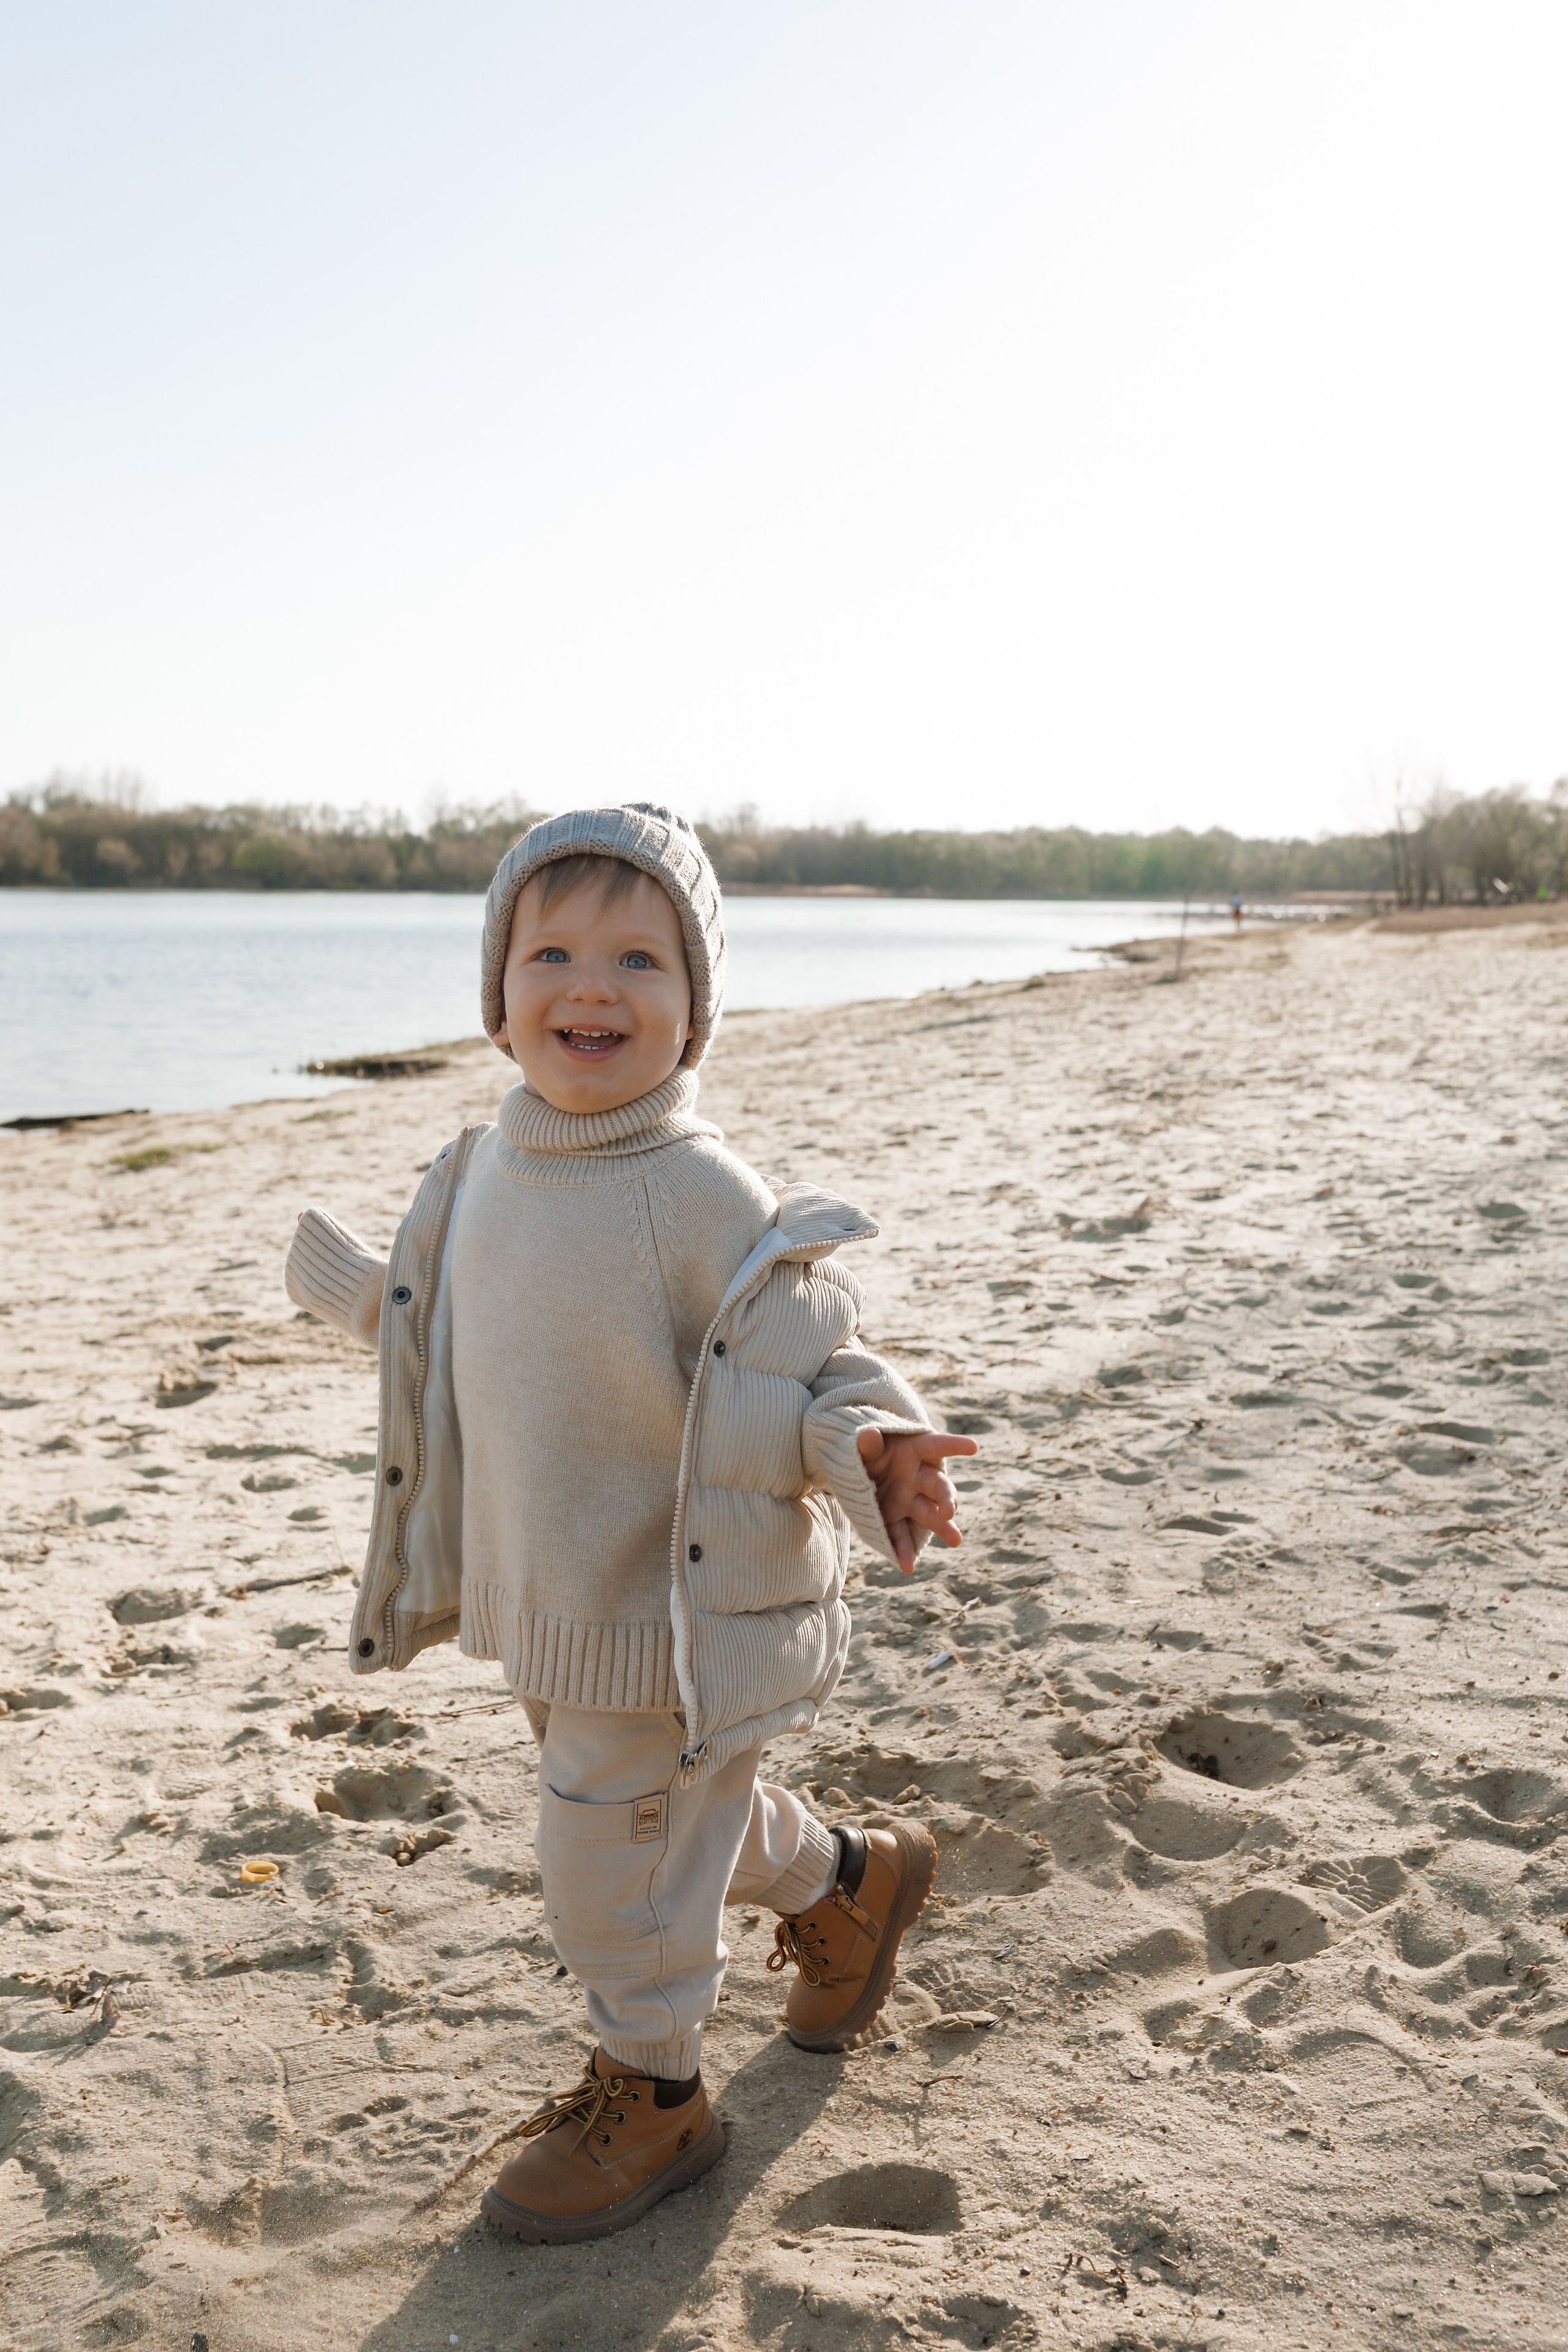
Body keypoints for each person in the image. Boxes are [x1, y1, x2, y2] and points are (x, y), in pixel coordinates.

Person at [283, 802, 976, 2245]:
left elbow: (802, 1361)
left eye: (640, 960)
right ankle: (848, 1888)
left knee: (608, 1861)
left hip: (666, 1608)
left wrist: (875, 1445)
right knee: (666, 1818)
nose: (591, 986)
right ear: (497, 995)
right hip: (538, 1594)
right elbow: (462, 1327)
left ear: (695, 1006)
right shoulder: (484, 1164)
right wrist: (362, 1291)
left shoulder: (692, 1187)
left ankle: (654, 2095)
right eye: (552, 951)